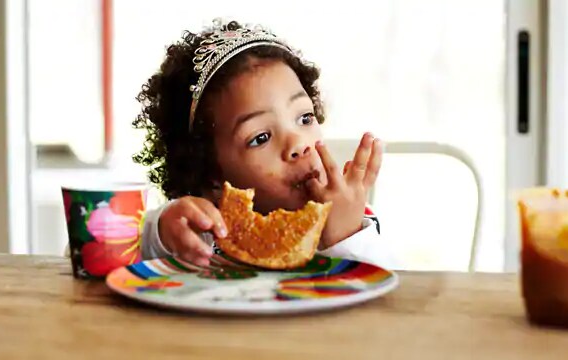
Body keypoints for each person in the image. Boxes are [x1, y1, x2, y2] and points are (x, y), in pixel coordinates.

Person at [132, 19, 394, 268]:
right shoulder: (202, 235)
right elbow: (126, 248)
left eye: (305, 118)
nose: (298, 143)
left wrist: (347, 239)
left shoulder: (353, 222)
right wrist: (161, 230)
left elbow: (397, 305)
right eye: (261, 138)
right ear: (212, 176)